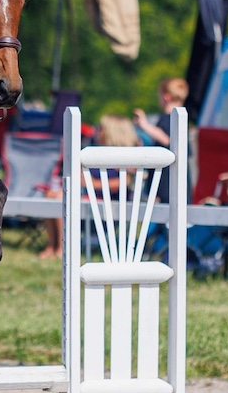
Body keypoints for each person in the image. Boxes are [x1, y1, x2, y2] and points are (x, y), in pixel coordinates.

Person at [39, 114, 141, 260]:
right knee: (52, 195)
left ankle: (62, 248)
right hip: (90, 200)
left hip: (108, 206)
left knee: (61, 197)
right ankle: (52, 244)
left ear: (113, 133)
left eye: (101, 128)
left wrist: (91, 183)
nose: (96, 131)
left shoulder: (123, 159)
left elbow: (123, 183)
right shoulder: (96, 153)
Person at [132, 77, 187, 204]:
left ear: (166, 97)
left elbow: (167, 139)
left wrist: (144, 124)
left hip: (166, 181)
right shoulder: (181, 119)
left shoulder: (169, 119)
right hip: (174, 179)